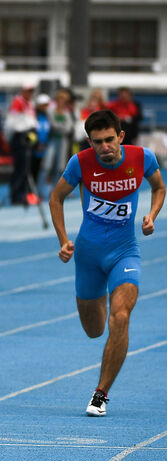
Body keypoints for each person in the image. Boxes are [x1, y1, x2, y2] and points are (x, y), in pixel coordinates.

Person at [48, 109, 164, 417]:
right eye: (97, 142)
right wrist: (63, 240)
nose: (104, 148)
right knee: (94, 329)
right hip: (88, 255)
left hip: (125, 251)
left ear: (121, 136)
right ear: (89, 141)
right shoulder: (80, 163)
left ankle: (100, 394)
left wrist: (152, 215)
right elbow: (56, 198)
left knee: (121, 316)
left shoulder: (142, 158)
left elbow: (159, 187)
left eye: (109, 140)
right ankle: (97, 301)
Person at [5, 81, 38, 205]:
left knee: (26, 167)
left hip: (28, 136)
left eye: (32, 91)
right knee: (20, 168)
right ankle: (16, 195)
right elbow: (12, 124)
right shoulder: (17, 103)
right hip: (20, 137)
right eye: (28, 91)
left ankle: (24, 194)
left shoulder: (29, 104)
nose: (30, 94)